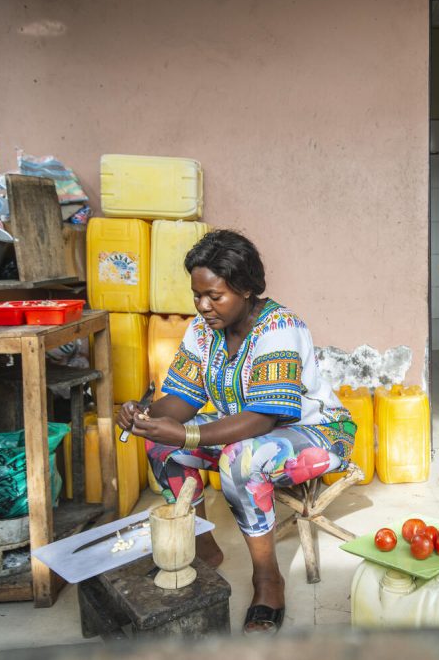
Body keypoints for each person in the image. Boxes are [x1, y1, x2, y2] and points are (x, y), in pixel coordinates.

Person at [117, 229, 355, 635]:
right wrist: (147, 416)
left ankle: (268, 582)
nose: (203, 306)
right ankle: (201, 548)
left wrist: (188, 435)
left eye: (215, 296)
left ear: (246, 288)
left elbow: (264, 418)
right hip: (243, 433)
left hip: (315, 433)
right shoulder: (202, 331)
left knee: (242, 460)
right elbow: (182, 398)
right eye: (197, 295)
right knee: (161, 447)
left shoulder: (279, 328)